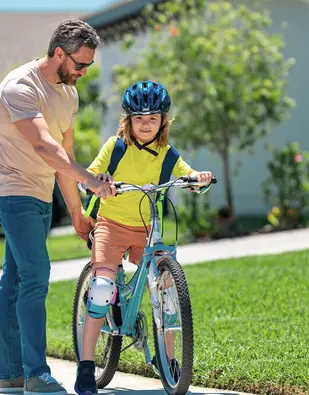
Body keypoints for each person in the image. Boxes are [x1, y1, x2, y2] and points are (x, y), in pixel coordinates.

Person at [0, 19, 114, 395]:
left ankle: (9, 374)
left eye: (89, 66)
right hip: (12, 190)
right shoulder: (20, 87)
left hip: (41, 193)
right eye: (80, 64)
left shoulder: (69, 95)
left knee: (15, 279)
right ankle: (36, 374)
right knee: (35, 275)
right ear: (59, 52)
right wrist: (91, 181)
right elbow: (45, 146)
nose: (83, 72)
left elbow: (65, 158)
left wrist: (77, 212)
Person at [74, 80, 213, 395]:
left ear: (164, 120)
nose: (146, 124)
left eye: (153, 118)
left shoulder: (166, 154)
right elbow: (90, 176)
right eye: (139, 118)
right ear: (128, 121)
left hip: (147, 228)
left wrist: (199, 179)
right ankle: (85, 367)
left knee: (166, 288)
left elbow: (189, 177)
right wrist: (100, 180)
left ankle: (169, 360)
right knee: (100, 289)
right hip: (111, 223)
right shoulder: (115, 146)